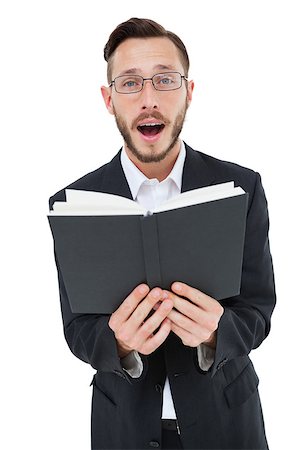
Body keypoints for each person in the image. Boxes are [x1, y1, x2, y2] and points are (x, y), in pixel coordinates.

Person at [49, 17, 276, 450]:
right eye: (130, 83)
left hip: (227, 425)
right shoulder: (73, 203)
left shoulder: (242, 188)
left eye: (164, 80)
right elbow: (77, 328)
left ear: (189, 92)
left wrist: (216, 333)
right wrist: (118, 343)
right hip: (125, 430)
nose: (148, 99)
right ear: (109, 98)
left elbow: (259, 312)